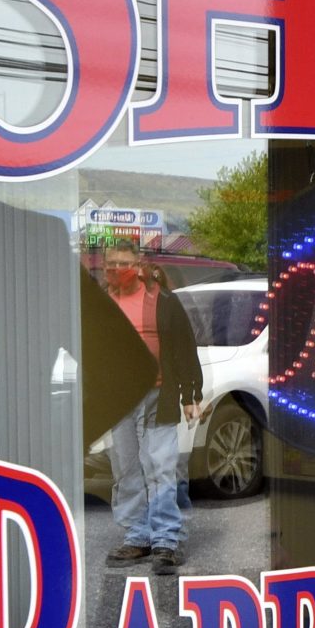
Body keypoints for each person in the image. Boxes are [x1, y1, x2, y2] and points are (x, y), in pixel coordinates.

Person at [97, 238, 204, 574]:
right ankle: (138, 536)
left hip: (159, 394)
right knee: (126, 468)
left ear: (138, 262)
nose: (117, 269)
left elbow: (185, 348)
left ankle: (167, 540)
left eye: (122, 262)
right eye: (110, 263)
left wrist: (190, 395)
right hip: (120, 398)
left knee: (160, 466)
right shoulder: (103, 303)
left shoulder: (162, 301)